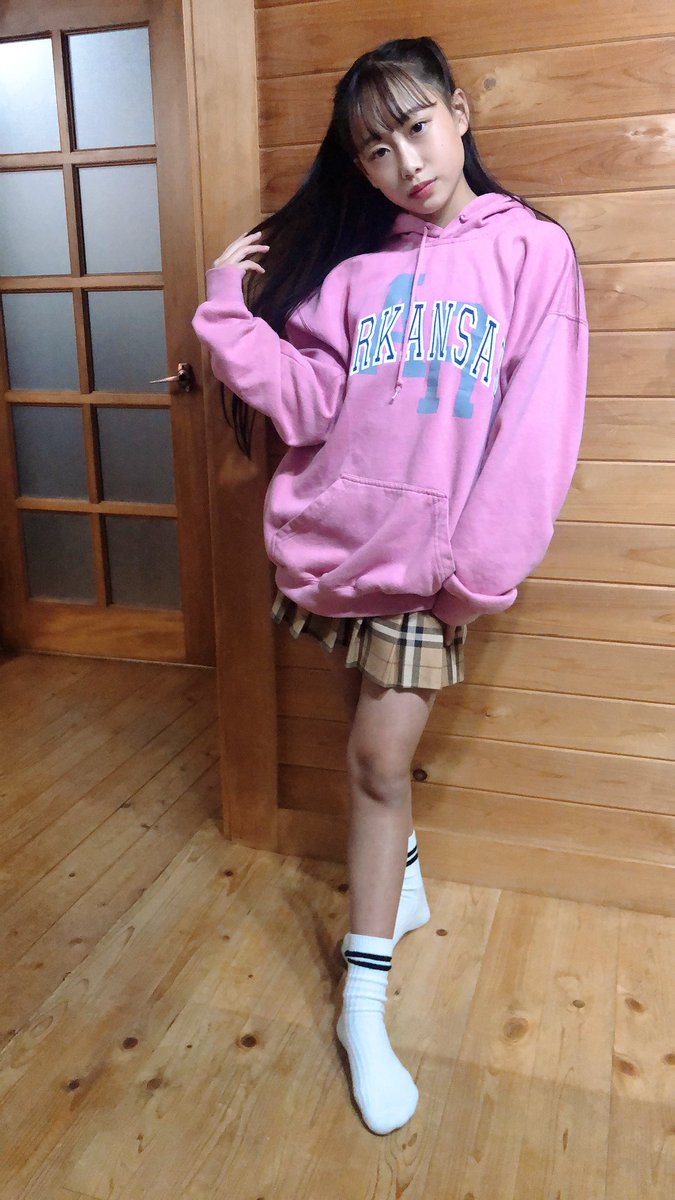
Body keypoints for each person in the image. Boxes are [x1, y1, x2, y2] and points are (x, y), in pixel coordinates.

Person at [192, 36, 589, 1136]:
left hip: (433, 567)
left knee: (374, 763)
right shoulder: (357, 274)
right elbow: (308, 404)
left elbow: (538, 430)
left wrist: (473, 574)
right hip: (339, 545)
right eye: (375, 149)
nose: (404, 162)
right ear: (358, 166)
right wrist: (225, 313)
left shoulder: (531, 253)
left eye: (416, 127)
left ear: (459, 113)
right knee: (361, 747)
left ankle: (361, 1009)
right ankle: (401, 881)